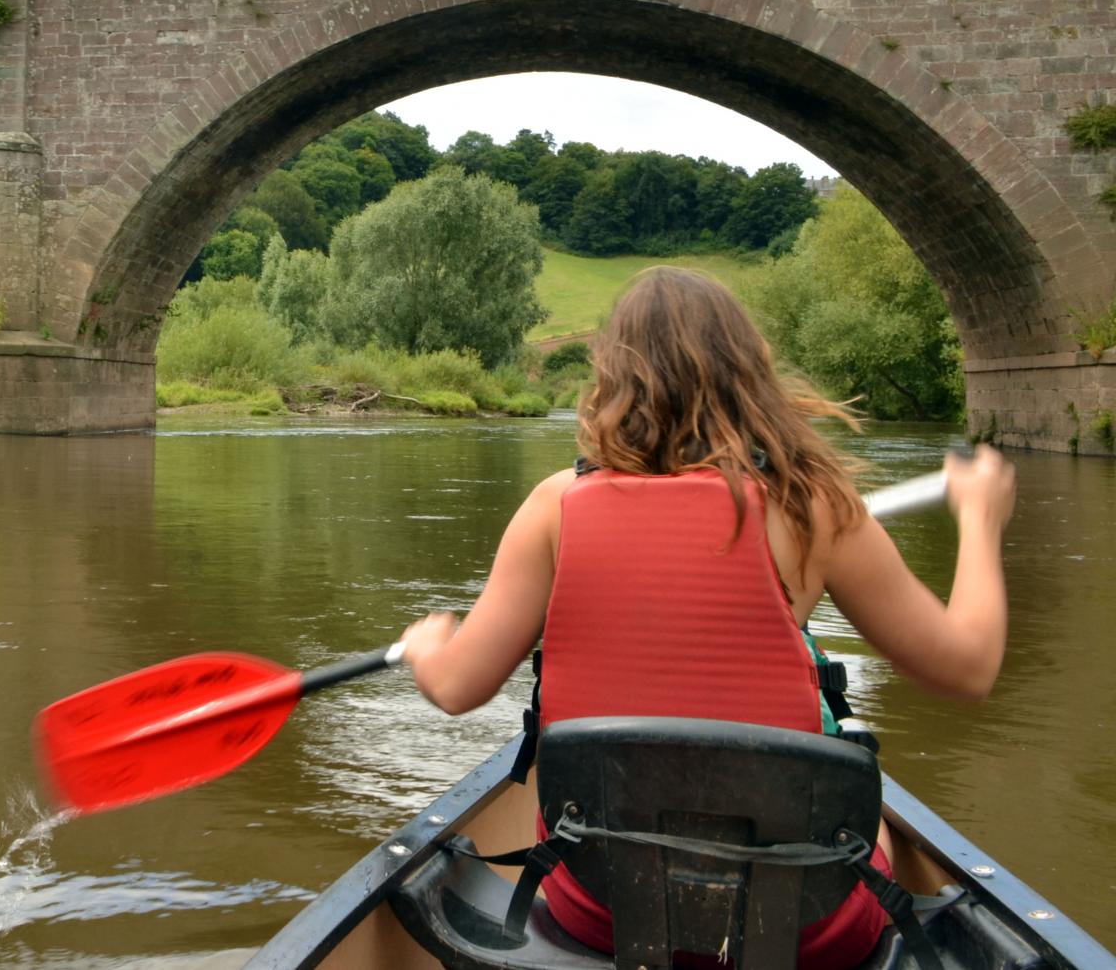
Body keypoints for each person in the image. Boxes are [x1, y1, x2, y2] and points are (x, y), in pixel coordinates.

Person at [399, 266, 1015, 967]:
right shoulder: (812, 506)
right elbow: (968, 667)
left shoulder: (553, 507)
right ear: (748, 372)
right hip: (805, 927)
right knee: (862, 801)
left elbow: (455, 688)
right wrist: (980, 521)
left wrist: (429, 644)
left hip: (601, 908)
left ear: (612, 379)